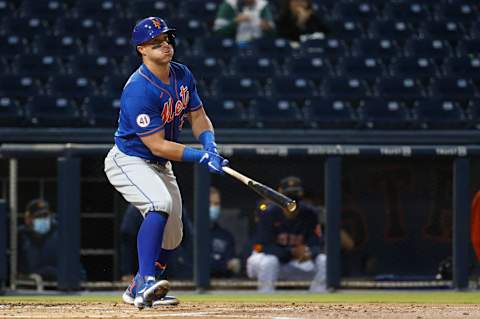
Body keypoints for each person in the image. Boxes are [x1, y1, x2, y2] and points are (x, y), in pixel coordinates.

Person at [104, 17, 229, 309]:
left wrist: (209, 143)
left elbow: (198, 116)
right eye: (156, 42)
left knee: (173, 237)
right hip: (130, 159)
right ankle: (147, 281)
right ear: (141, 49)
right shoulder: (138, 88)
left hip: (160, 164)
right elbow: (156, 144)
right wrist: (200, 156)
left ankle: (137, 287)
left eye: (167, 40)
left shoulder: (182, 74)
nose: (165, 46)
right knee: (159, 204)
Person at [246, 176, 327, 292]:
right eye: (288, 194)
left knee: (323, 260)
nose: (291, 199)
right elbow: (264, 247)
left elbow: (317, 244)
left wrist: (309, 252)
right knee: (270, 261)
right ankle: (265, 299)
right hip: (264, 263)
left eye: (294, 193)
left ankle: (317, 302)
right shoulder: (268, 213)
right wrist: (291, 252)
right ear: (279, 193)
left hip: (296, 263)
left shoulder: (310, 214)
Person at [17, 199, 59, 282]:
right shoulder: (20, 236)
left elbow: (77, 271)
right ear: (28, 219)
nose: (43, 219)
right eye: (38, 216)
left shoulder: (60, 234)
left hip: (58, 288)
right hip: (28, 288)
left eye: (45, 215)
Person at [209, 187, 241, 277]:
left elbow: (233, 265)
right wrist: (223, 265)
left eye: (216, 204)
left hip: (222, 285)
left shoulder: (225, 236)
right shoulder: (191, 233)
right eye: (210, 204)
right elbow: (192, 264)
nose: (214, 207)